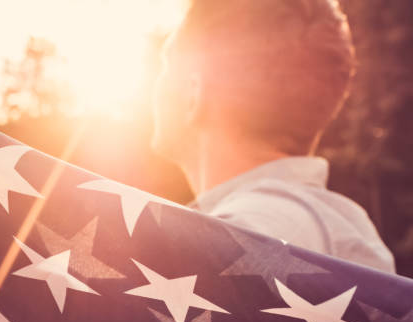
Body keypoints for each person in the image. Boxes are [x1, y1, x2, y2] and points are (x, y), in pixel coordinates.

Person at [0, 0, 394, 273]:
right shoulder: (316, 224)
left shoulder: (266, 231)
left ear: (192, 90)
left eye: (166, 65)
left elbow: (56, 283)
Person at [151, 0, 395, 274]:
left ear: (193, 95)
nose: (155, 86)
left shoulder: (244, 234)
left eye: (165, 67)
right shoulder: (335, 225)